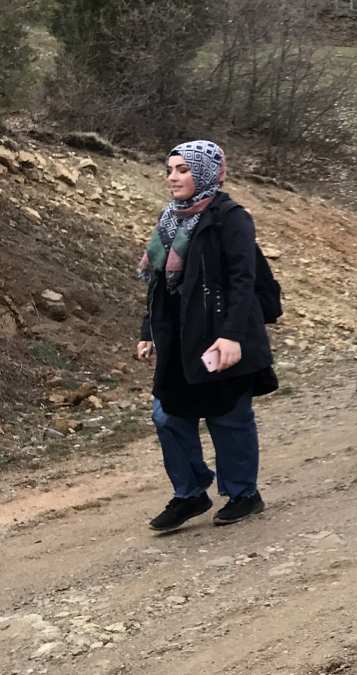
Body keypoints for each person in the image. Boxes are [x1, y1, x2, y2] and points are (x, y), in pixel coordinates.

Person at [137, 140, 276, 531]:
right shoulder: (171, 219)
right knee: (167, 415)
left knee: (228, 416)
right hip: (180, 338)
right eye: (170, 170)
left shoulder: (230, 217)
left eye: (183, 169)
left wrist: (232, 336)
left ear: (204, 172)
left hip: (222, 337)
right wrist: (147, 330)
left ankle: (244, 494)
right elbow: (158, 284)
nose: (173, 177)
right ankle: (191, 493)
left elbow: (242, 279)